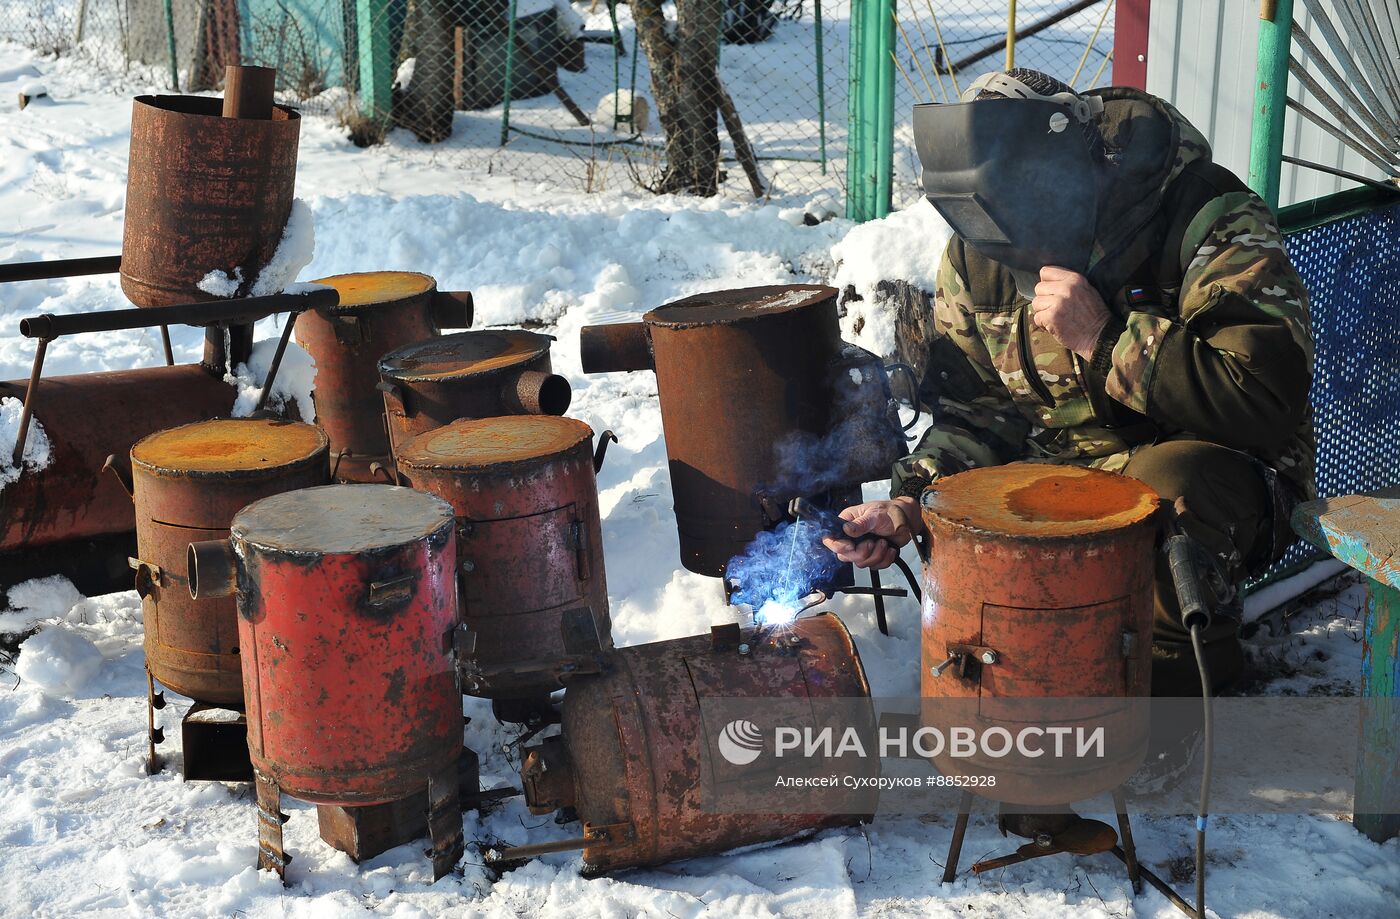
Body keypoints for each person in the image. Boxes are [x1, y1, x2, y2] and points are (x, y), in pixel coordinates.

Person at [824, 69, 1315, 697]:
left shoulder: (1203, 215)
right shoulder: (982, 257)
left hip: (1226, 474)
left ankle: (1170, 697)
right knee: (963, 521)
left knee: (1165, 494)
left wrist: (1108, 339)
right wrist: (909, 501)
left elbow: (1262, 400)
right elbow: (979, 415)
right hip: (1067, 473)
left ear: (1076, 165)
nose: (1008, 235)